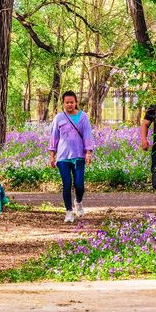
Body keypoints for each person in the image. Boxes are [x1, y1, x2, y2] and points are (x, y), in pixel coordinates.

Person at [49, 91, 95, 223]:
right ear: (63, 103)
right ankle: (69, 211)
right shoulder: (59, 118)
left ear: (76, 103)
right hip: (63, 157)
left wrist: (88, 152)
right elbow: (54, 137)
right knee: (67, 184)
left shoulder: (83, 117)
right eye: (67, 102)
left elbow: (87, 134)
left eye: (72, 102)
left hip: (79, 156)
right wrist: (52, 155)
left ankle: (78, 202)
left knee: (79, 185)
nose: (69, 105)